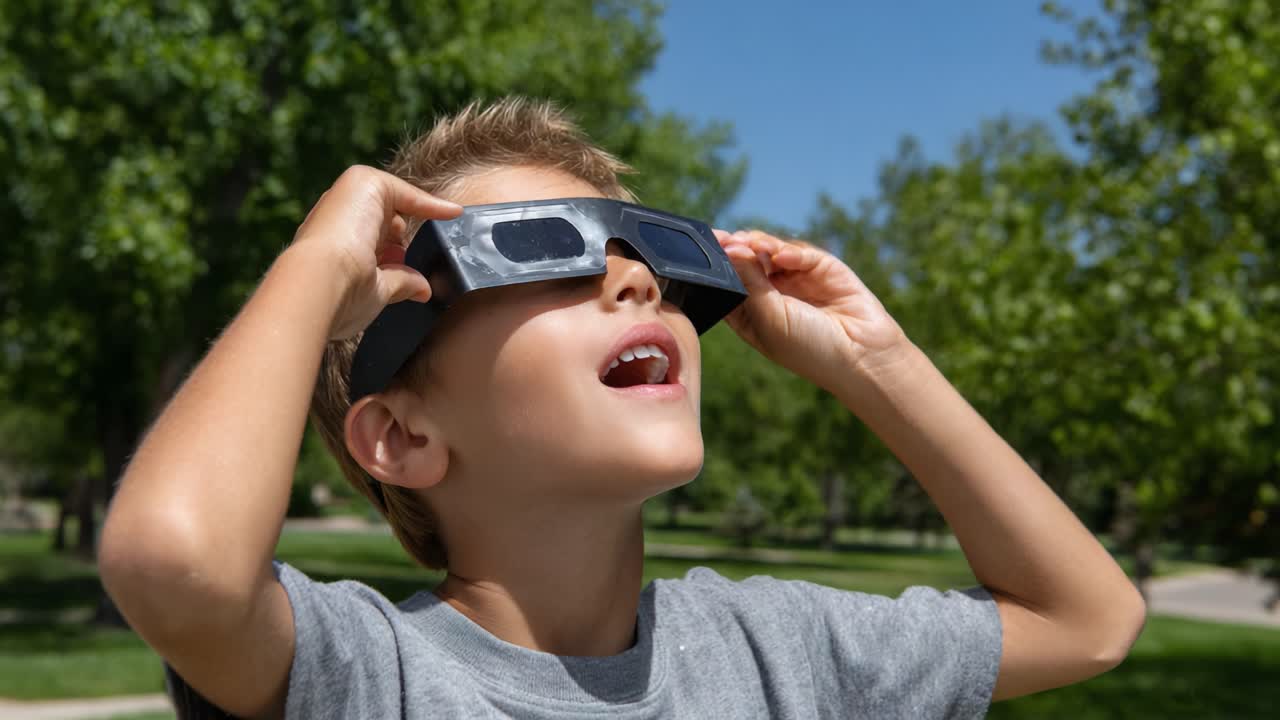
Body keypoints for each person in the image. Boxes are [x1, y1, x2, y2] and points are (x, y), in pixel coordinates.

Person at [99, 98, 1146, 719]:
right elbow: (176, 563)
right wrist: (316, 266)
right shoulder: (366, 674)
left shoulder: (777, 649)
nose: (629, 280)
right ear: (405, 433)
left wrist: (878, 363)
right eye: (535, 251)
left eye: (645, 252)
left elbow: (1088, 620)